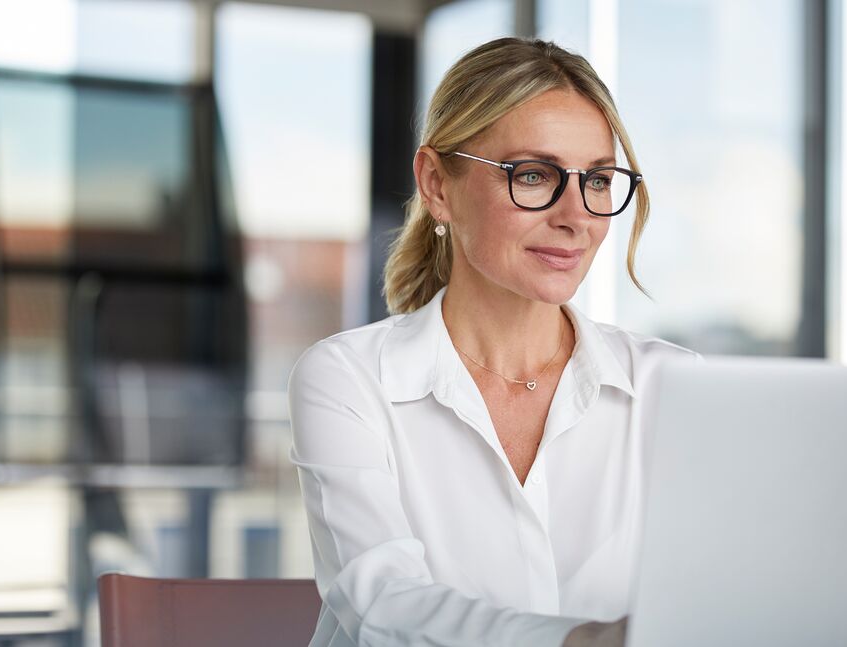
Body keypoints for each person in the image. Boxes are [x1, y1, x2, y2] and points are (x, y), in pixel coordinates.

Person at [288, 37, 694, 647]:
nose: (576, 216)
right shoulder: (348, 378)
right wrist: (579, 641)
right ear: (437, 184)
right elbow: (384, 603)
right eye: (533, 175)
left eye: (599, 180)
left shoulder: (674, 387)